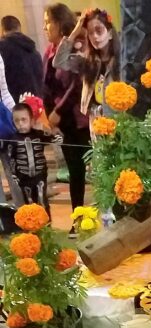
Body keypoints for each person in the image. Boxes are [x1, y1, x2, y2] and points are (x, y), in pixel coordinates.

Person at [43, 3, 90, 212]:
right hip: (63, 122)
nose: (45, 28)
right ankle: (78, 217)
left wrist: (57, 111)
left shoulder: (78, 46)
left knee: (84, 168)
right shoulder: (50, 50)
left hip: (77, 118)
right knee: (74, 170)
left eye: (48, 23)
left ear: (59, 23)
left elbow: (75, 85)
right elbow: (47, 83)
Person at [53, 7, 120, 119]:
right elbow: (59, 62)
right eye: (90, 33)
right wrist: (75, 31)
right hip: (95, 120)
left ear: (110, 34)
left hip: (117, 118)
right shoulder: (87, 61)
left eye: (99, 31)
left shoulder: (121, 60)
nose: (95, 36)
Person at [2, 101, 57, 213]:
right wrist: (14, 175)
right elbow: (11, 159)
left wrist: (56, 137)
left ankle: (47, 226)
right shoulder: (13, 140)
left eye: (24, 120)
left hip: (40, 176)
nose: (20, 124)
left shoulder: (39, 135)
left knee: (42, 199)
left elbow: (52, 138)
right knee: (29, 202)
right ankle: (31, 226)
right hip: (23, 178)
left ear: (31, 120)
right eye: (17, 121)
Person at [0, 16, 43, 105]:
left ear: (2, 30)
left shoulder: (2, 49)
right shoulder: (34, 50)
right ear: (19, 28)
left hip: (15, 108)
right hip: (36, 105)